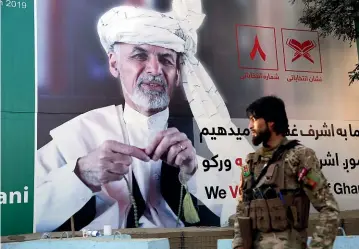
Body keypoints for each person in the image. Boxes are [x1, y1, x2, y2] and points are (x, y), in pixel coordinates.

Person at [34, 0, 254, 232]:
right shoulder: (79, 134)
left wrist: (195, 173)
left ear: (178, 74)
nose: (155, 69)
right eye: (140, 56)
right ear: (114, 64)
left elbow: (246, 209)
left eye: (166, 60)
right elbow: (18, 214)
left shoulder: (205, 139)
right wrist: (80, 175)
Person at [232, 96, 340, 249]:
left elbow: (329, 209)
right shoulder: (251, 161)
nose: (250, 125)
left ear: (271, 122)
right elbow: (241, 210)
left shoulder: (299, 157)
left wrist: (318, 246)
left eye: (254, 119)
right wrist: (238, 245)